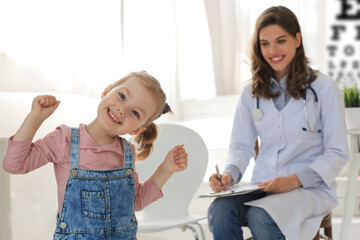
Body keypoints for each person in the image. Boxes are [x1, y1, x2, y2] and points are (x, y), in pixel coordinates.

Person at [207, 6, 349, 240]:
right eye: (265, 43)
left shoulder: (324, 88)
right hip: (263, 186)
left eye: (280, 41)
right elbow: (241, 147)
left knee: (260, 216)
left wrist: (294, 180)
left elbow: (337, 152)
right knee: (222, 210)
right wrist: (229, 176)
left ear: (297, 39)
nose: (272, 50)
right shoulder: (251, 93)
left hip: (309, 189)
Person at [2, 71, 188, 240]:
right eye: (122, 96)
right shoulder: (64, 139)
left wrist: (166, 169)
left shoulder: (127, 152)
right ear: (107, 91)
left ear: (138, 129)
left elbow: (135, 202)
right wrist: (35, 118)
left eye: (135, 112)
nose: (122, 109)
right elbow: (14, 165)